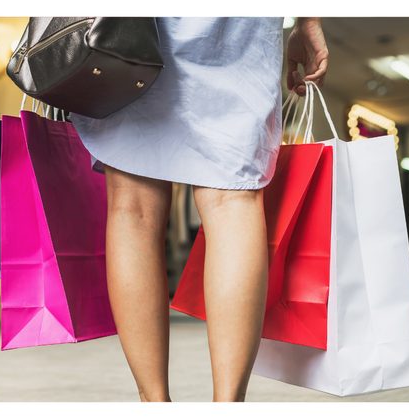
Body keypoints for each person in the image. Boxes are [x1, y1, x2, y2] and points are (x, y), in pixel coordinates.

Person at [68, 17, 328, 402]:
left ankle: (154, 403)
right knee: (232, 200)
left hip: (131, 28)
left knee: (133, 207)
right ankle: (228, 404)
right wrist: (307, 19)